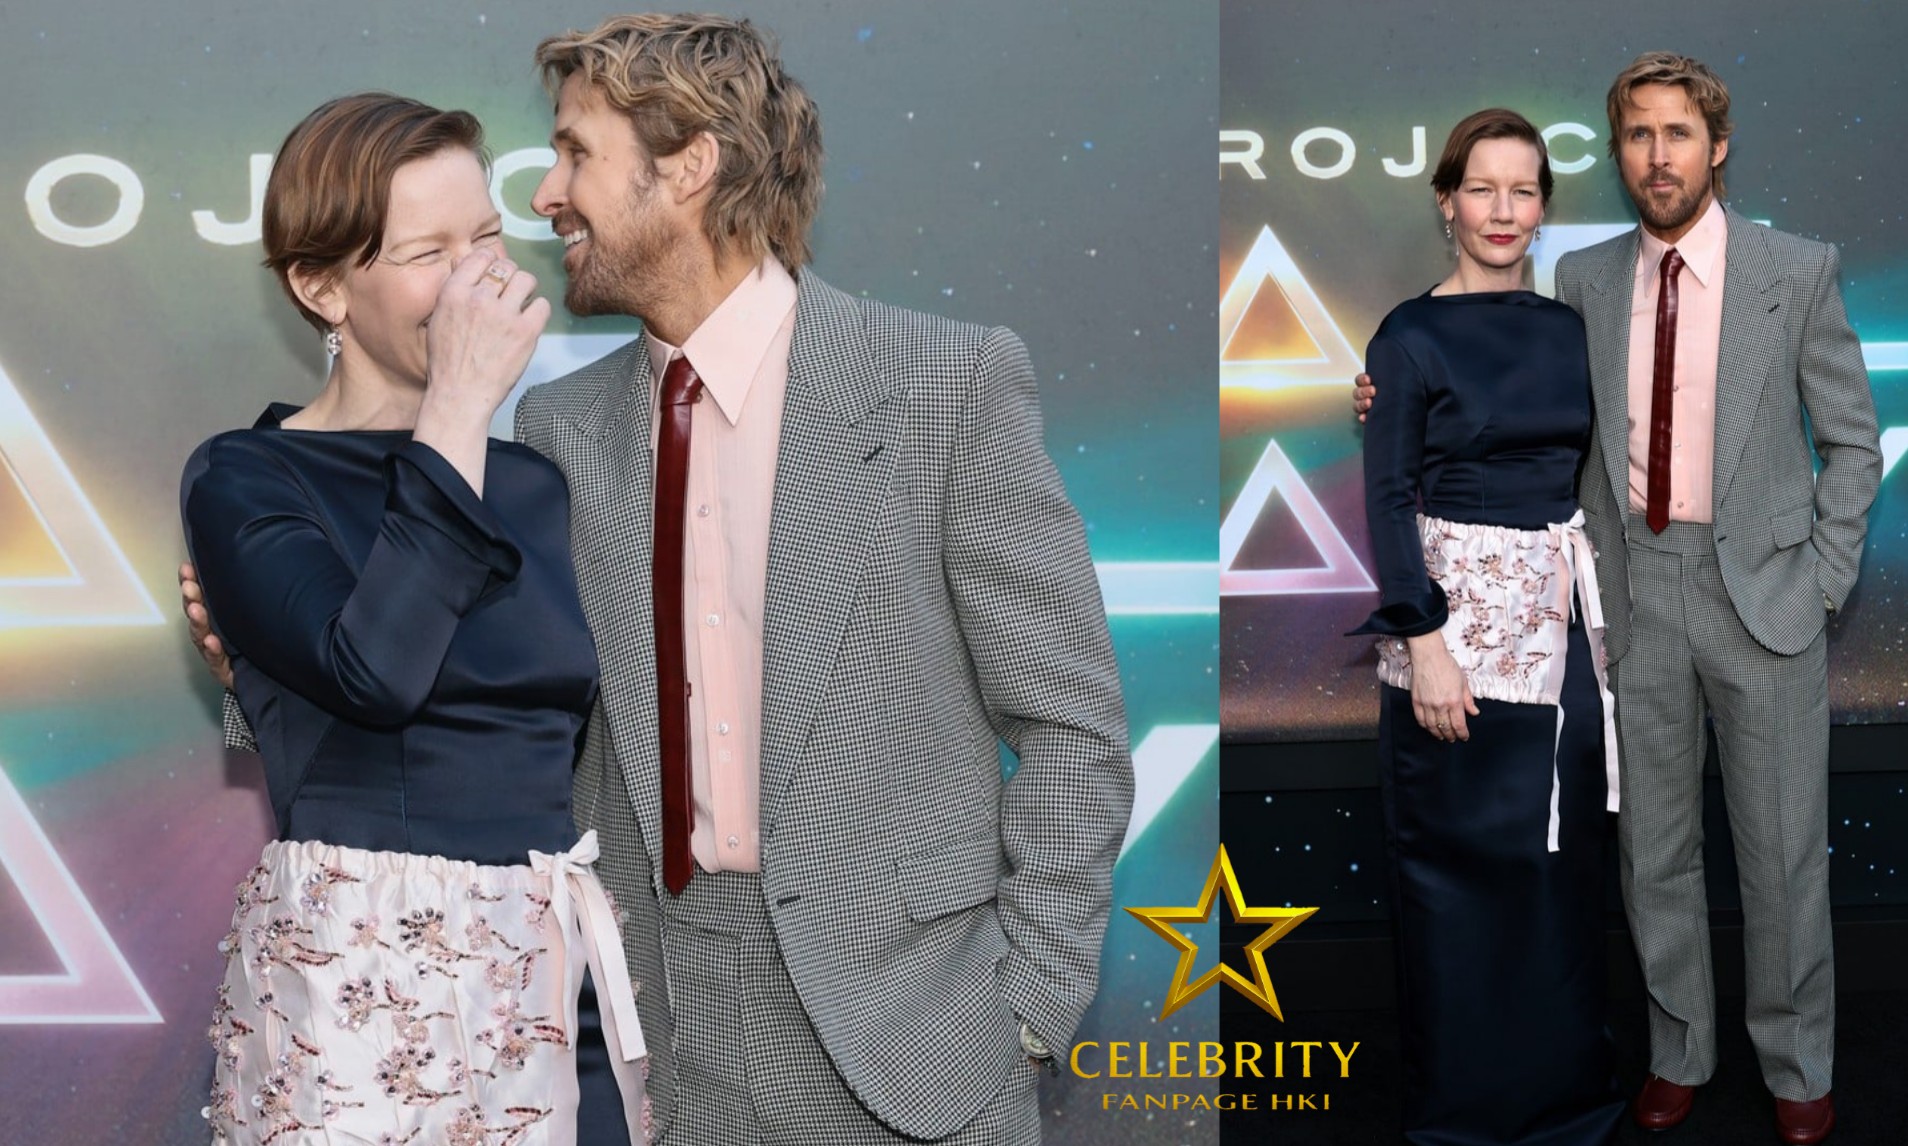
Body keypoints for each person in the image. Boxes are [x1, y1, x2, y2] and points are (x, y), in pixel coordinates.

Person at [186, 15, 1133, 1145]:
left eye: (575, 154)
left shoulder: (943, 384)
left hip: (909, 1032)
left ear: (688, 166)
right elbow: (485, 687)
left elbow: (1070, 721)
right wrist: (254, 659)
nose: (546, 199)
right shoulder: (558, 431)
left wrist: (1027, 1008)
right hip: (646, 1031)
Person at [1355, 54, 1882, 1146]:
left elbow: (1853, 444)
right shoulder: (1583, 284)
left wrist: (1824, 584)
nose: (1658, 155)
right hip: (1629, 598)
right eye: (1639, 135)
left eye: (1678, 133)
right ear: (1619, 153)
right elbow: (1496, 390)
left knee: (1782, 853)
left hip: (1766, 600)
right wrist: (1384, 396)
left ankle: (1796, 1066)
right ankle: (1679, 1050)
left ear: (1716, 146)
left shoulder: (1797, 269)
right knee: (1653, 851)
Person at [180, 94, 648, 1145]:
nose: (476, 279)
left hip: (555, 969)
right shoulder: (248, 476)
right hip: (360, 979)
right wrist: (458, 411)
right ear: (320, 287)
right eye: (429, 253)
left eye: (485, 238)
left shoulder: (537, 484)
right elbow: (376, 673)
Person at [1351, 108, 1623, 1146]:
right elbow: (1388, 501)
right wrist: (1425, 646)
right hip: (1454, 650)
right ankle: (1466, 1119)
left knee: (1559, 873)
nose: (1502, 210)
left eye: (1524, 190)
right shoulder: (1407, 336)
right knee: (1458, 881)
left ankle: (1564, 1103)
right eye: (1481, 189)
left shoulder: (1571, 330)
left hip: (1566, 647)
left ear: (1543, 208)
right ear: (1447, 203)